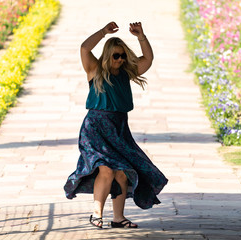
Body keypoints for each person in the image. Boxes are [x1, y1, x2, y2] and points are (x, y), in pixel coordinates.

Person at [64, 21, 168, 229]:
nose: (120, 59)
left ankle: (118, 218)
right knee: (106, 170)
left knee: (122, 171)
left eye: (122, 55)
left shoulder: (126, 72)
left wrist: (141, 36)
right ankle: (96, 214)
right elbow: (85, 48)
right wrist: (103, 32)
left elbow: (148, 59)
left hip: (119, 128)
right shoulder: (94, 70)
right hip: (95, 128)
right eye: (116, 56)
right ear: (108, 55)